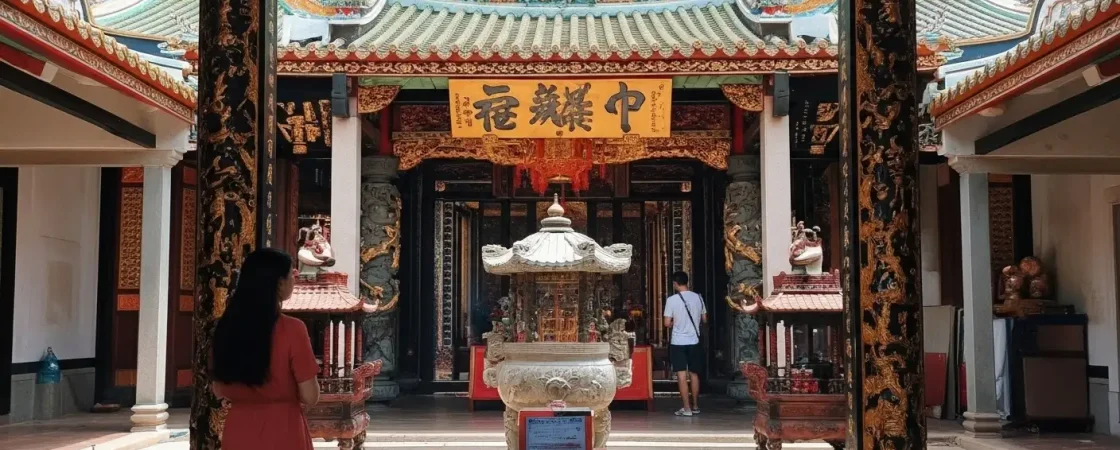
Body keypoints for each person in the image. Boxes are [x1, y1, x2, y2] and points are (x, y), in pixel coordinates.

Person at [211, 248, 320, 450]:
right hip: (283, 431)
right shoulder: (293, 329)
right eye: (291, 275)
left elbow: (218, 387)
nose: (294, 281)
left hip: (238, 430)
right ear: (279, 283)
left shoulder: (225, 327)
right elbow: (310, 396)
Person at [663, 271, 706, 417]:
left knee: (681, 374)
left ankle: (686, 408)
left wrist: (678, 321)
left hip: (678, 342)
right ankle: (695, 406)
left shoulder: (672, 300)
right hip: (694, 340)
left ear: (675, 283)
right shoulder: (698, 298)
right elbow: (704, 319)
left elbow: (667, 323)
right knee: (694, 374)